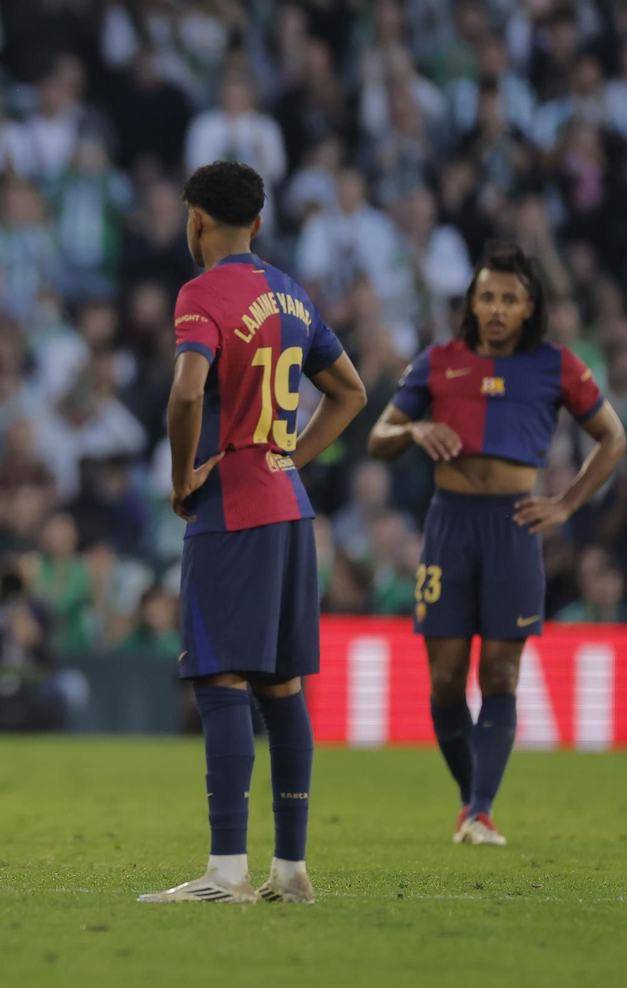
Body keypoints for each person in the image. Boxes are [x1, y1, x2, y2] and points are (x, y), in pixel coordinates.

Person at [140, 162, 367, 905]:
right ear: (259, 225)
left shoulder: (202, 294)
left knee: (222, 678)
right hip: (290, 506)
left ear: (195, 220)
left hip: (233, 508)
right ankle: (292, 870)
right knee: (282, 684)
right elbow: (350, 392)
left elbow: (186, 391)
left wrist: (183, 477)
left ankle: (226, 872)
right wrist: (288, 458)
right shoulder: (291, 293)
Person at [367, 244, 624, 846]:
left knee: (501, 672)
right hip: (449, 526)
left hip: (513, 528)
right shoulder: (438, 361)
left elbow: (612, 438)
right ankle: (471, 801)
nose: (498, 309)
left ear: (529, 306)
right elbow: (379, 437)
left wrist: (565, 505)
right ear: (472, 303)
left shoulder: (556, 365)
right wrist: (414, 426)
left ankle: (480, 810)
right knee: (445, 679)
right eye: (488, 297)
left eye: (511, 299)